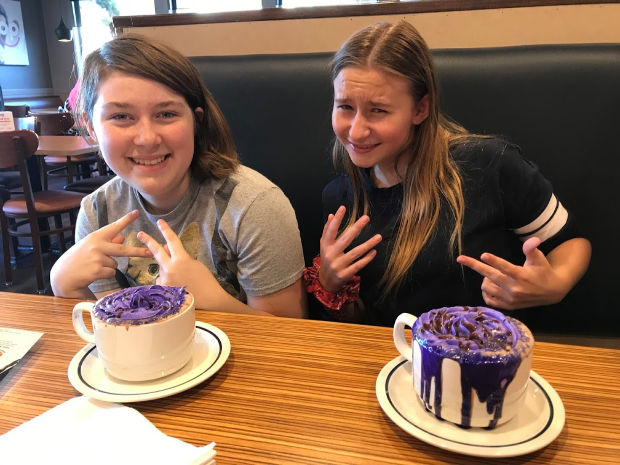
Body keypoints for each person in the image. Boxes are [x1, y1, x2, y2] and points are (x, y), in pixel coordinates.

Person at [304, 21, 591, 325]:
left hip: (484, 355)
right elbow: (359, 322)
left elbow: (571, 241)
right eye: (345, 107)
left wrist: (554, 285)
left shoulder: (489, 164)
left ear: (420, 109)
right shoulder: (338, 197)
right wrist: (329, 284)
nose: (357, 131)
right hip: (393, 362)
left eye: (378, 110)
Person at [50, 34, 307, 318]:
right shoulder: (97, 214)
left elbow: (289, 336)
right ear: (91, 126)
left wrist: (210, 299)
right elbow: (118, 331)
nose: (147, 139)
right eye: (121, 117)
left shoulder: (253, 206)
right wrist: (65, 286)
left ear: (195, 121)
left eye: (166, 114)